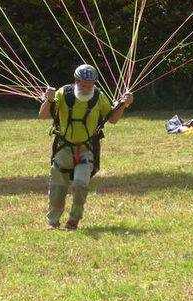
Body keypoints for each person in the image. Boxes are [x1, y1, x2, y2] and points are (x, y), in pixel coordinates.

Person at [37, 64, 133, 230]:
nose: (87, 88)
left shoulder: (98, 97)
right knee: (58, 188)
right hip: (64, 148)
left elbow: (112, 119)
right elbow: (43, 115)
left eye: (90, 85)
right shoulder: (64, 93)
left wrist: (124, 104)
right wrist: (49, 100)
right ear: (76, 81)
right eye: (83, 85)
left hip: (86, 148)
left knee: (81, 185)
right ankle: (52, 223)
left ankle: (73, 221)